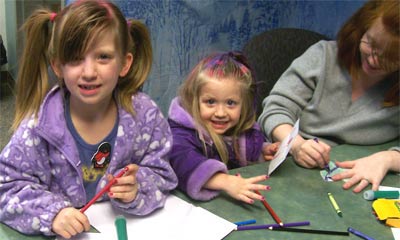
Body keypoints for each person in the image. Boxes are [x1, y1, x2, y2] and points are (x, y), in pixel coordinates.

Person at [0, 0, 177, 238]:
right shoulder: (38, 126)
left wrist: (138, 187)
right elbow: (6, 188)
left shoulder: (145, 116)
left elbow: (163, 174)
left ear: (124, 64)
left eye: (103, 57)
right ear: (58, 67)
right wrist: (51, 214)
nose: (89, 72)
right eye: (75, 59)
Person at [258, 0, 399, 193]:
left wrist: (388, 159)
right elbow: (275, 109)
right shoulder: (324, 56)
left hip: (359, 184)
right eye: (371, 44)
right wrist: (296, 145)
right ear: (361, 28)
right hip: (294, 170)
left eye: (390, 57)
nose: (374, 60)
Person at [168, 52, 279, 203]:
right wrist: (227, 182)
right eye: (210, 102)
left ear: (243, 104)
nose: (220, 113)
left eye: (231, 103)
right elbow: (181, 160)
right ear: (194, 100)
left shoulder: (241, 127)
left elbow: (242, 145)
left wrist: (262, 151)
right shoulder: (181, 133)